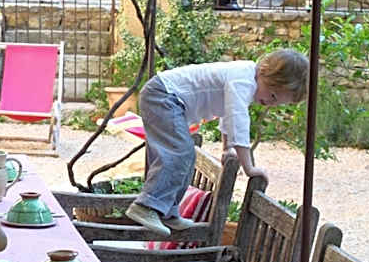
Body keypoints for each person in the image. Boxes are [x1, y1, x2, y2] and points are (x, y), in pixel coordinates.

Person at [126, 49, 309, 238]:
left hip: (166, 97)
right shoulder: (243, 79)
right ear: (263, 72)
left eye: (276, 102)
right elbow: (238, 122)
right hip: (164, 96)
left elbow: (227, 115)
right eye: (272, 95)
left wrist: (227, 148)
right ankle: (146, 206)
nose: (270, 103)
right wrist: (249, 168)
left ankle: (166, 211)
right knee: (180, 153)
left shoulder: (245, 78)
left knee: (186, 158)